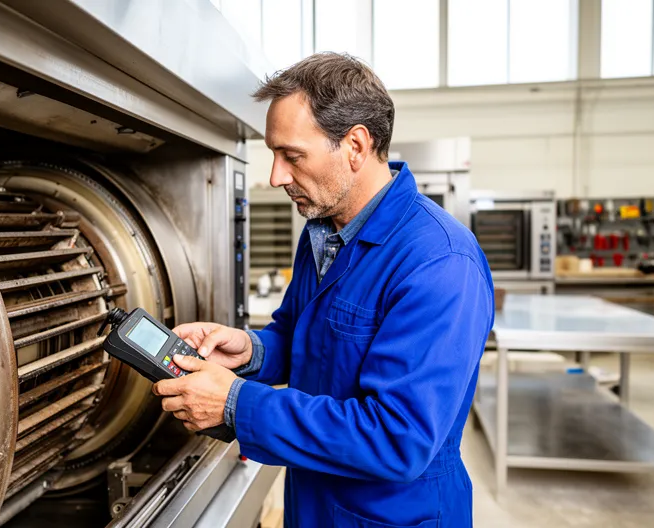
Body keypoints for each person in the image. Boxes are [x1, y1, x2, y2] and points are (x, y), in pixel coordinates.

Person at [151, 52, 494, 527]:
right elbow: (304, 343)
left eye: (292, 156)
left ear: (355, 145)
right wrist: (249, 351)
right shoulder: (323, 232)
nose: (275, 177)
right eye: (273, 154)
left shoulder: (438, 263)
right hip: (314, 504)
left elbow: (399, 439)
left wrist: (236, 402)